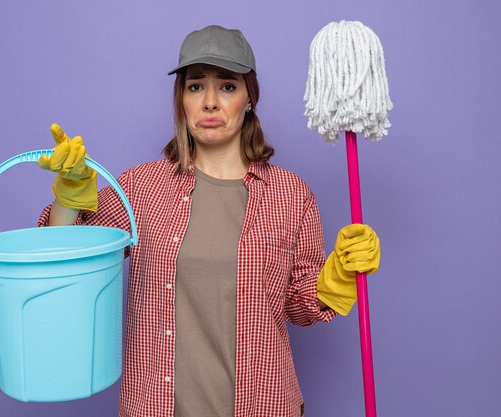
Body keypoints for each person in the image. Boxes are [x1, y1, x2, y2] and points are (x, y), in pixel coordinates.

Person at [37, 25, 380, 417]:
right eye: (196, 86)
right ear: (181, 99)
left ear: (249, 98)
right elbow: (60, 257)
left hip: (264, 405)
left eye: (228, 87)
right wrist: (69, 195)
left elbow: (299, 307)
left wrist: (337, 276)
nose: (210, 102)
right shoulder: (140, 188)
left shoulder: (291, 195)